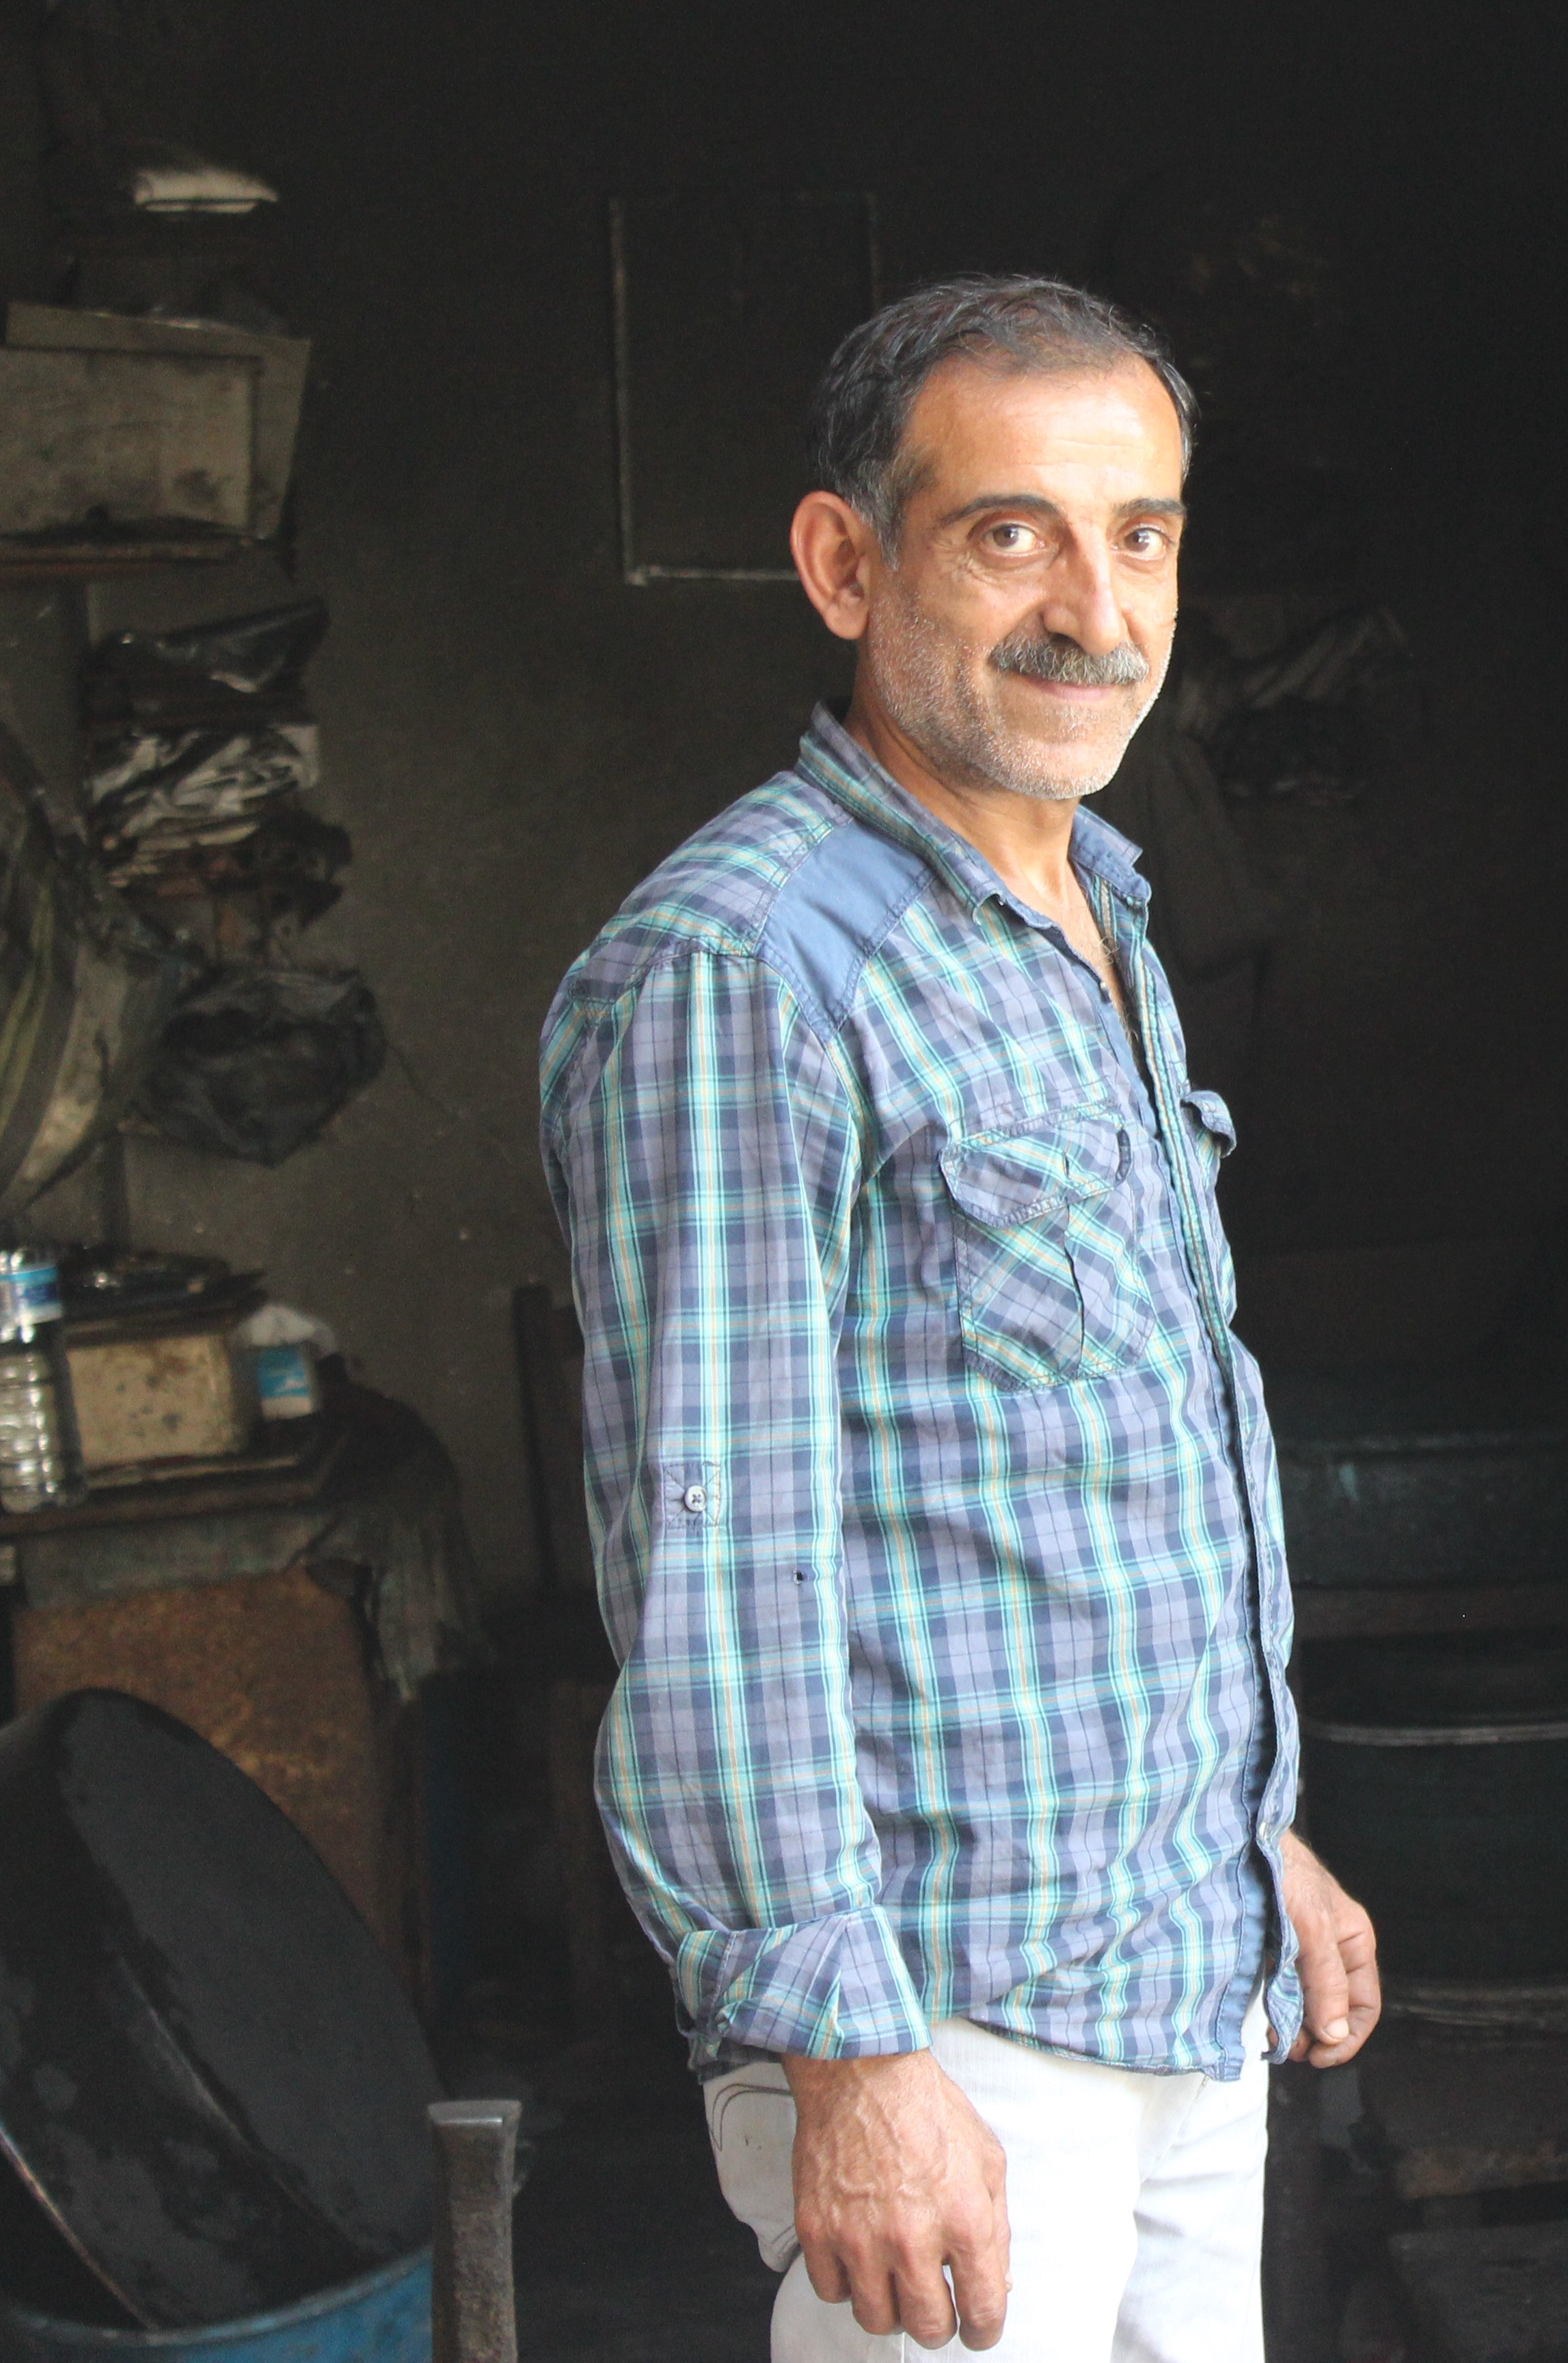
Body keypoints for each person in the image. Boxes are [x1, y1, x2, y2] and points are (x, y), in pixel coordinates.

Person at [539, 273, 1375, 2362]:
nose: (1096, 604)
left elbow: (1074, 1470)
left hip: (1169, 1980)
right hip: (949, 2035)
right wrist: (844, 2059)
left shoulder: (1089, 913)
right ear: (846, 563)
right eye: (1010, 531)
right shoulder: (747, 966)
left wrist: (1248, 1841)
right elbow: (718, 1565)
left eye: (1145, 533)